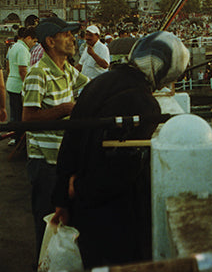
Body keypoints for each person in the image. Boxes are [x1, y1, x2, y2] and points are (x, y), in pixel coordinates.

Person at [52, 31, 190, 267]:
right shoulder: (146, 105)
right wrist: (80, 189)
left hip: (80, 208)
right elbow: (121, 170)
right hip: (111, 217)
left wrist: (62, 197)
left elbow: (71, 140)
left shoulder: (99, 82)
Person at [22, 17, 89, 244]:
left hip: (62, 160)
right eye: (66, 35)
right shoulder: (38, 73)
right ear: (51, 42)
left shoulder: (66, 69)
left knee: (65, 224)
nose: (73, 39)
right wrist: (66, 109)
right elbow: (28, 119)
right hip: (44, 165)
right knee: (48, 226)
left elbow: (91, 86)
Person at [7, 26, 37, 124]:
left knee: (14, 116)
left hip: (12, 85)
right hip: (18, 87)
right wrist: (28, 87)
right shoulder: (22, 49)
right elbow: (23, 71)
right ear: (28, 38)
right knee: (19, 116)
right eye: (34, 41)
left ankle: (14, 132)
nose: (34, 44)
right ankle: (17, 133)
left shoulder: (15, 46)